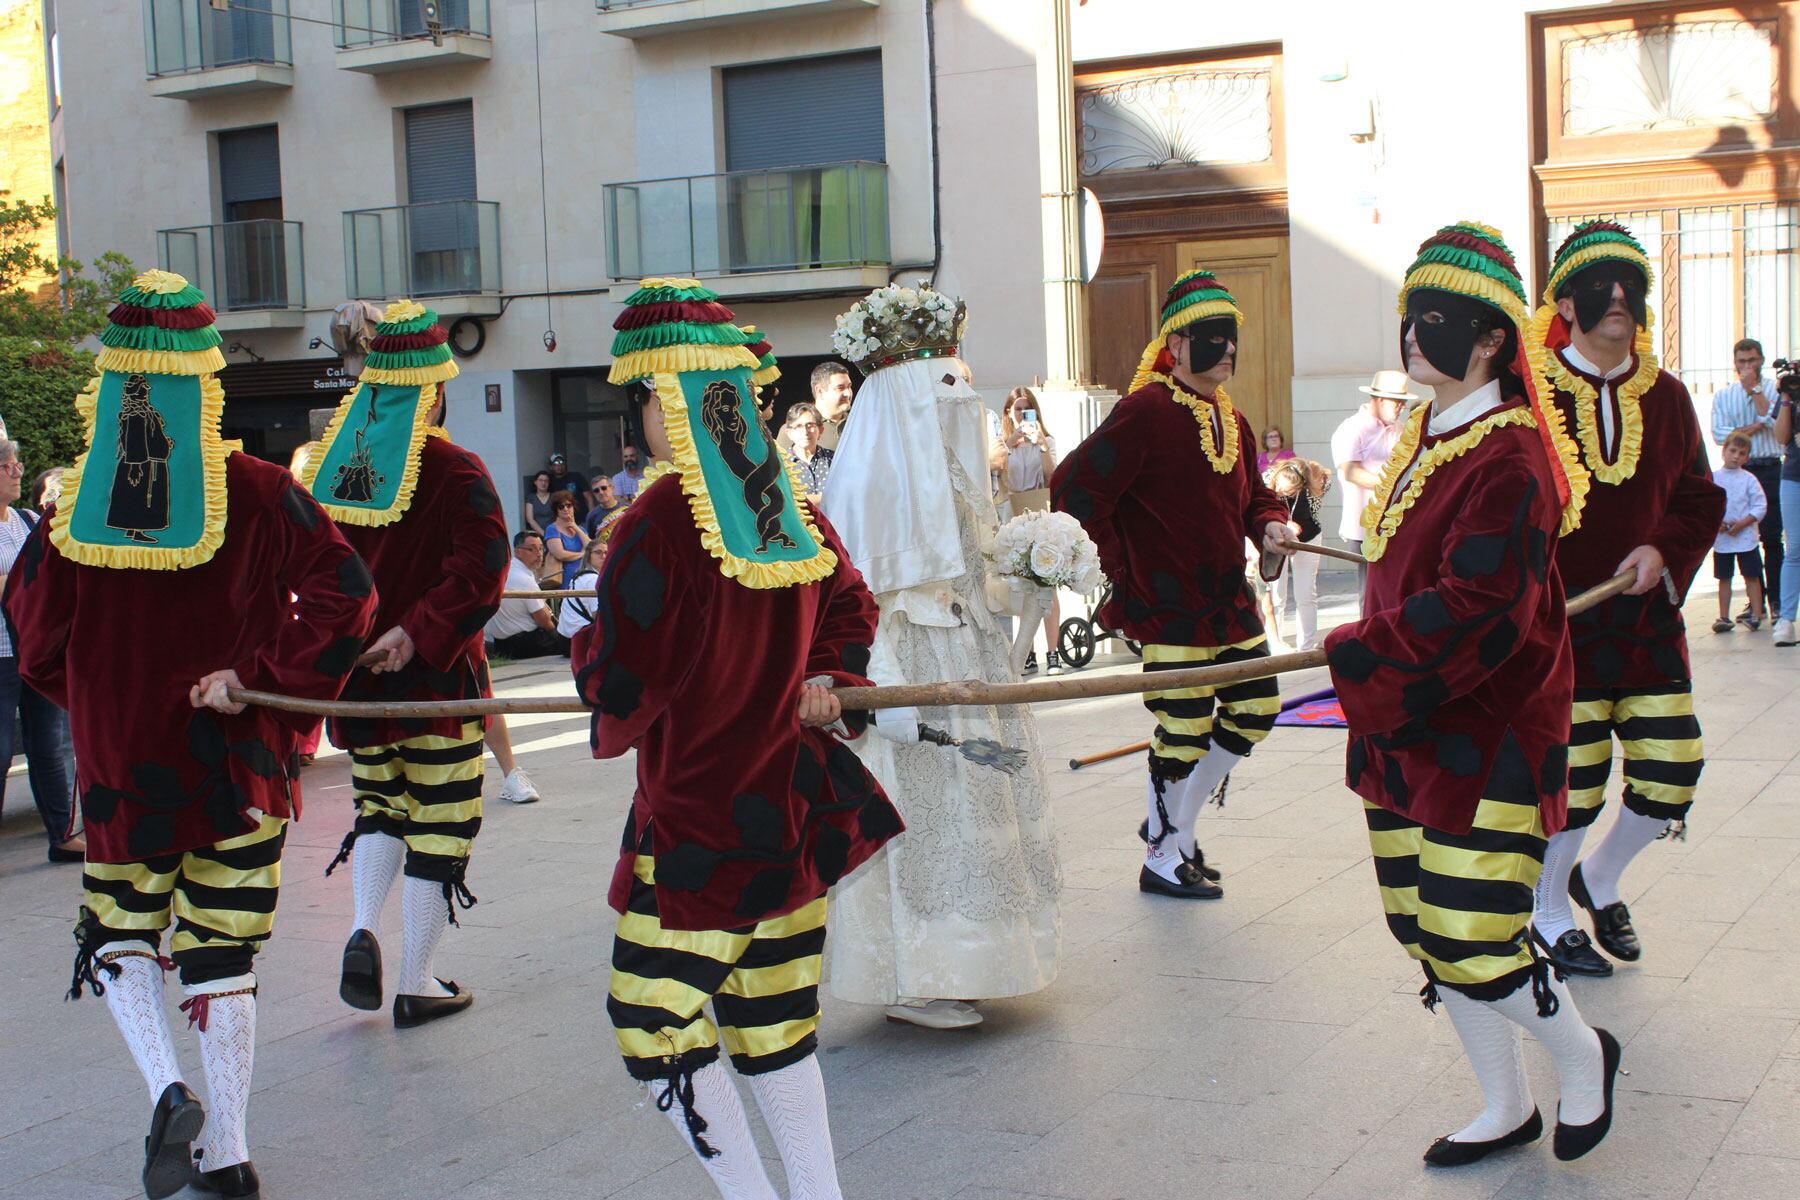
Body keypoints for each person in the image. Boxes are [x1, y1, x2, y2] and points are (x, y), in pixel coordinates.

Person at [3, 271, 377, 1200]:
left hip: (123, 767)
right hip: (241, 762)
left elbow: (34, 641)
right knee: (224, 952)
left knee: (120, 932)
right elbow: (349, 596)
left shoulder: (71, 512)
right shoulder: (262, 489)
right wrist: (265, 678)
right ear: (205, 383)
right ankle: (231, 1152)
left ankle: (169, 1088)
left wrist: (102, 701)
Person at [582, 278, 903, 1200]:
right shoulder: (787, 502)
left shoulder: (655, 520)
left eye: (644, 400)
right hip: (793, 803)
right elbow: (851, 602)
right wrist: (828, 675)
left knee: (651, 1020)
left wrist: (585, 656)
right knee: (773, 1022)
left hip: (703, 818)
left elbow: (622, 680)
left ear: (665, 402)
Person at [1326, 220, 1618, 1168]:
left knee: (1470, 932)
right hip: (1405, 725)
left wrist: (1354, 656)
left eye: (1438, 320)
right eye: (1411, 316)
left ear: (1492, 339)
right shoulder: (1427, 433)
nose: (1415, 335)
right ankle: (1506, 1104)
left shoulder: (1513, 456)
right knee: (1424, 927)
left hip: (1486, 734)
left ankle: (1584, 1056)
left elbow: (1480, 608)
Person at [822, 281, 1061, 1029]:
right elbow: (862, 595)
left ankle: (982, 959)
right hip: (912, 665)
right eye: (946, 395)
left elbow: (971, 565)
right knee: (925, 816)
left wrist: (1028, 574)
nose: (963, 408)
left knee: (980, 805)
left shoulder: (954, 472)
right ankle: (918, 976)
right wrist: (880, 683)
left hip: (969, 655)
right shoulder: (870, 476)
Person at [1053, 267, 1297, 900]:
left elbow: (1254, 496)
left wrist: (1270, 525)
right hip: (1169, 606)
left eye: (1233, 335)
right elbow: (1074, 487)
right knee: (1183, 727)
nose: (1229, 348)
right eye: (1213, 336)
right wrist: (1122, 569)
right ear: (1178, 345)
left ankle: (1175, 829)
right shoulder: (1145, 411)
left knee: (1257, 709)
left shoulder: (1232, 418)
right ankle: (1163, 856)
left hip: (1229, 602)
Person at [300, 299, 508, 1030]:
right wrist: (418, 632)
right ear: (435, 391)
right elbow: (483, 568)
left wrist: (359, 642)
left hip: (360, 682)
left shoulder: (331, 472)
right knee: (441, 825)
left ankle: (363, 925)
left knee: (381, 808)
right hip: (438, 682)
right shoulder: (455, 467)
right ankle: (416, 981)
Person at [1524, 220, 1725, 979]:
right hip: (1560, 629)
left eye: (1630, 287)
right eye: (1599, 286)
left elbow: (1699, 497)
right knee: (1573, 783)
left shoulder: (1668, 396)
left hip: (1645, 624)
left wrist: (1663, 551)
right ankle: (1547, 913)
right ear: (1565, 305)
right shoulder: (1530, 395)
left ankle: (1600, 877)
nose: (1617, 298)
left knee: (1673, 770)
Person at [0, 438, 82, 863]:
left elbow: (47, 577)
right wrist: (24, 580)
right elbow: (33, 580)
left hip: (33, 649)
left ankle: (62, 835)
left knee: (48, 746)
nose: (17, 472)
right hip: (0, 654)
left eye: (16, 464)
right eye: (7, 466)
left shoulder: (28, 520)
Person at [1710, 338, 1784, 615]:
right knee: (1743, 542)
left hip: (1770, 468)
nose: (1747, 366)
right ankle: (1756, 602)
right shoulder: (1724, 396)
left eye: (1752, 360)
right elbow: (1721, 435)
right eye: (1741, 362)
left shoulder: (1775, 390)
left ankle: (1776, 600)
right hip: (1738, 471)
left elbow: (1776, 422)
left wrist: (1755, 390)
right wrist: (1756, 426)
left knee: (1772, 538)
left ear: (1761, 360)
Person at [993, 386, 1063, 675]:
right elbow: (998, 477)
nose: (1023, 414)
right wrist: (1009, 444)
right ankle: (1028, 652)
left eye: (1028, 408)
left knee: (1048, 581)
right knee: (1020, 584)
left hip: (1039, 510)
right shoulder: (1002, 444)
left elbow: (1051, 476)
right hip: (1013, 512)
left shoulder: (1044, 440)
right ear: (1009, 412)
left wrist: (1042, 444)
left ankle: (1053, 652)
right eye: (1018, 409)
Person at [1332, 369, 1415, 592]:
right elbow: (1351, 473)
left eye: (1403, 402)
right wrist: (1394, 485)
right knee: (1370, 593)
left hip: (1396, 522)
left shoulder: (1400, 430)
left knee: (1395, 589)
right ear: (1380, 400)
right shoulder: (1351, 429)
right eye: (1398, 402)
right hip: (1364, 525)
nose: (1402, 407)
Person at [1265, 457, 1330, 651]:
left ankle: (1306, 647)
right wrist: (1285, 523)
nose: (1282, 491)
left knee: (1306, 593)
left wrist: (1316, 473)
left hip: (1308, 538)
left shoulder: (1313, 487)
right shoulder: (1266, 481)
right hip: (1277, 538)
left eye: (1289, 491)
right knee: (1277, 593)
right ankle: (1276, 643)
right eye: (1280, 487)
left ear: (1301, 485)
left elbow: (1326, 479)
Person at [1711, 432, 1767, 632]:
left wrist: (1742, 524)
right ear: (1724, 451)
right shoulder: (1713, 478)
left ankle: (1756, 614)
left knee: (1751, 576)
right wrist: (1717, 523)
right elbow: (1707, 505)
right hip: (1722, 539)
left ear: (1747, 457)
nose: (1736, 456)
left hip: (1746, 538)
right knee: (1724, 577)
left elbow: (1760, 506)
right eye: (1732, 451)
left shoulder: (1749, 479)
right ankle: (1723, 617)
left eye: (1741, 453)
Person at [486, 531, 571, 658]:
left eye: (541, 549)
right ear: (518, 551)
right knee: (572, 645)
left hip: (501, 643)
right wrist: (557, 634)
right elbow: (544, 621)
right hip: (525, 643)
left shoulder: (506, 570)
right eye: (532, 549)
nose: (539, 554)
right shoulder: (524, 579)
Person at [1772, 380, 1800, 645]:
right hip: (1794, 477)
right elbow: (1781, 437)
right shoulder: (1793, 390)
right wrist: (1786, 398)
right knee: (1795, 549)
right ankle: (1787, 620)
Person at [556, 535, 612, 640]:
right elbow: (598, 615)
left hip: (565, 637)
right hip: (579, 639)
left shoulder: (579, 576)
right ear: (588, 556)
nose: (603, 556)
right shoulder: (592, 579)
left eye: (606, 553)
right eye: (598, 552)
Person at [782, 401, 834, 502]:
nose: (805, 432)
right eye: (798, 426)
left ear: (821, 430)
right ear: (789, 433)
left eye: (810, 425)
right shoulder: (782, 464)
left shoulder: (834, 460)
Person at [543, 492, 588, 589]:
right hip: (564, 580)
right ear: (556, 510)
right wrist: (583, 554)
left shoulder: (581, 529)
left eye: (569, 505)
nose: (565, 509)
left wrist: (575, 527)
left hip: (583, 578)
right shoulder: (552, 529)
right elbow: (560, 554)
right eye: (561, 506)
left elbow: (590, 547)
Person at [812, 360, 855, 451]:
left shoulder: (858, 423)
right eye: (840, 388)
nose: (848, 393)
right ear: (820, 391)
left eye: (849, 387)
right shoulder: (797, 428)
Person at [523, 469, 556, 537]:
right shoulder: (531, 497)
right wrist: (543, 533)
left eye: (546, 481)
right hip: (536, 535)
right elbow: (530, 519)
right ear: (535, 482)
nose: (543, 483)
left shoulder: (554, 497)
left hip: (553, 533)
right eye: (540, 480)